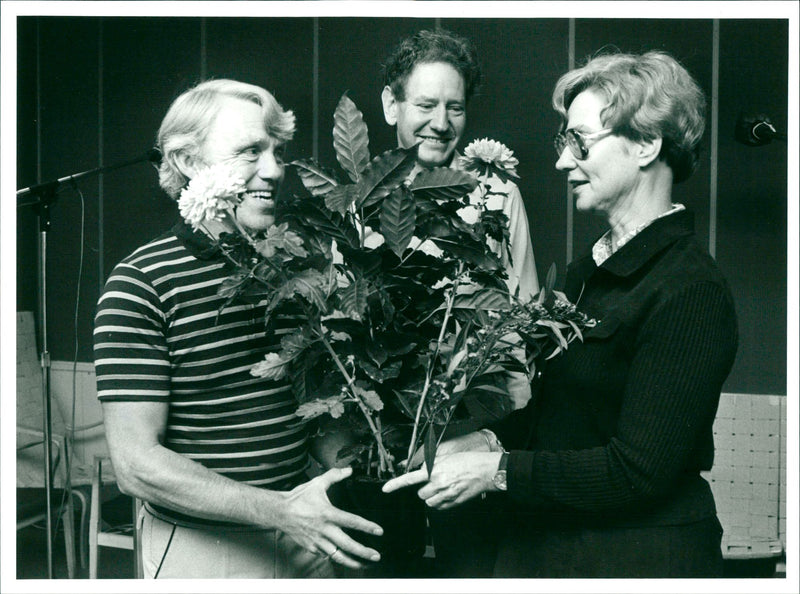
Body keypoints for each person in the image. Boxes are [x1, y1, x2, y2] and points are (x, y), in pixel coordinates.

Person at [384, 50, 739, 578]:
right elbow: (561, 417)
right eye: (562, 141)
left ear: (645, 145)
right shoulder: (585, 272)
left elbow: (638, 472)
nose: (561, 162)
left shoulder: (690, 289)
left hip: (641, 561)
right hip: (563, 549)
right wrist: (477, 441)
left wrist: (497, 469)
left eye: (579, 142)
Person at [93, 79, 384, 579]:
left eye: (277, 152)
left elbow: (308, 415)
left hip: (307, 530)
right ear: (187, 161)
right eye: (251, 151)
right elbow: (137, 464)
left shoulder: (292, 269)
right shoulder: (139, 284)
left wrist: (366, 462)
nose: (273, 170)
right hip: (207, 550)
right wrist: (277, 510)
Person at [378, 28, 539, 577]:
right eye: (425, 105)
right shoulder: (359, 200)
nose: (441, 123)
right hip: (385, 441)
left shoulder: (497, 194)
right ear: (390, 104)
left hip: (470, 440)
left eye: (456, 107)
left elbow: (523, 311)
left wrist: (500, 436)